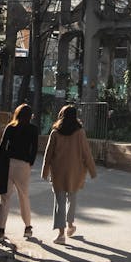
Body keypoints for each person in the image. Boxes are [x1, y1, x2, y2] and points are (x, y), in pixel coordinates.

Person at [41, 104, 97, 243]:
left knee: (59, 202)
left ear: (62, 115)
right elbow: (86, 153)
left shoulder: (55, 132)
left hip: (58, 171)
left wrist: (45, 170)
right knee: (72, 199)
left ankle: (61, 235)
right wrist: (92, 170)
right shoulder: (80, 132)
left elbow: (48, 153)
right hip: (75, 171)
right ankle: (70, 226)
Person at [0, 102, 39, 241]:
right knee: (24, 196)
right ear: (30, 116)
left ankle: (1, 231)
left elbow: (2, 146)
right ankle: (27, 227)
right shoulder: (33, 129)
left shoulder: (10, 127)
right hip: (23, 165)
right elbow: (34, 149)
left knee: (4, 198)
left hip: (8, 163)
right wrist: (30, 163)